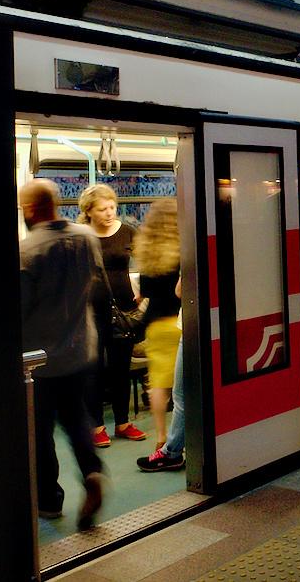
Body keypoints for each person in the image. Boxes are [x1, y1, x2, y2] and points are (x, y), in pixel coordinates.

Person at [18, 179, 106, 531]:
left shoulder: (28, 251)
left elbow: (20, 309)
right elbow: (92, 284)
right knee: (76, 418)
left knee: (40, 431)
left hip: (40, 359)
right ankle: (93, 472)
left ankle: (50, 500)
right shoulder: (86, 237)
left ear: (30, 209)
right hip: (81, 349)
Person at [78, 184, 148, 448]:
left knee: (121, 368)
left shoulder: (128, 232)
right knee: (93, 370)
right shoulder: (81, 236)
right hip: (90, 311)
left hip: (122, 309)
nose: (109, 213)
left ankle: (122, 422)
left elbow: (147, 262)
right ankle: (96, 425)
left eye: (112, 207)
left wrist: (144, 292)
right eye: (102, 209)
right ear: (89, 211)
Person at [134, 198, 182, 450]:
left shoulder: (147, 252)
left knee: (158, 385)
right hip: (181, 322)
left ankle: (161, 436)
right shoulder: (183, 249)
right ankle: (181, 438)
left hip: (155, 324)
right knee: (183, 387)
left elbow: (144, 293)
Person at [138, 281, 186, 472]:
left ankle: (169, 449)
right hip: (174, 323)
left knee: (178, 394)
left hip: (168, 323)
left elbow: (179, 290)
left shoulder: (148, 268)